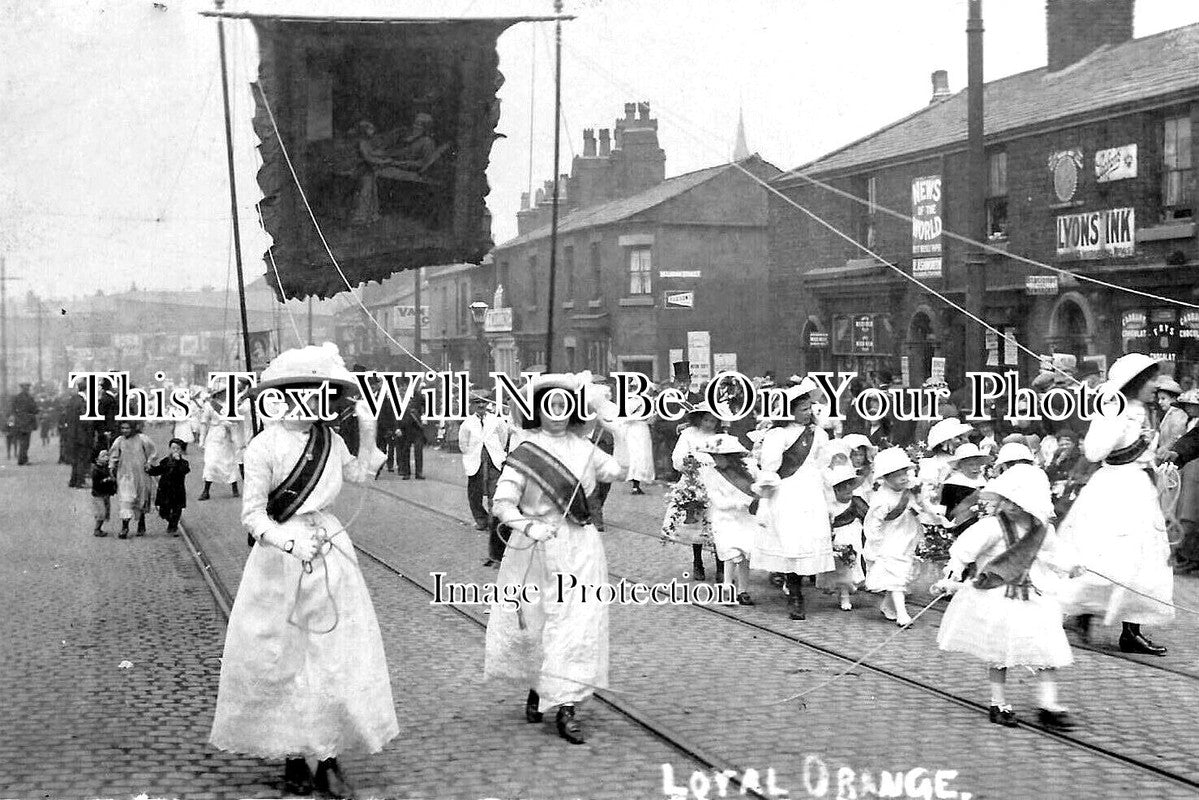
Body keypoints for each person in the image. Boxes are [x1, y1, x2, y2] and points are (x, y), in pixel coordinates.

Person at [210, 344, 397, 797]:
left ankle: (327, 756)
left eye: (318, 392)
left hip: (331, 552)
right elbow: (252, 516)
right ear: (282, 394)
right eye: (300, 391)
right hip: (280, 560)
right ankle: (293, 754)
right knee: (284, 654)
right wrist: (289, 541)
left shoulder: (329, 440)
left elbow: (360, 477)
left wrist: (368, 434)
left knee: (333, 652)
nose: (310, 400)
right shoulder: (262, 446)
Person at [484, 372, 625, 745]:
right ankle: (539, 688)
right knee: (538, 621)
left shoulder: (585, 447)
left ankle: (567, 706)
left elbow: (621, 471)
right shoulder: (526, 451)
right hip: (537, 548)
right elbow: (502, 504)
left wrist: (619, 432)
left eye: (565, 404)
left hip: (581, 548)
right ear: (537, 410)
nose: (559, 411)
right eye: (551, 404)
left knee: (578, 624)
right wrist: (528, 527)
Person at [935, 464, 1086, 730]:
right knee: (1000, 654)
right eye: (1007, 500)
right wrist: (953, 572)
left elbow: (1054, 553)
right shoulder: (993, 526)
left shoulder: (1042, 530)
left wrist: (1071, 565)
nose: (1012, 506)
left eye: (1018, 502)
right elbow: (964, 549)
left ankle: (1048, 704)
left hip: (1032, 597)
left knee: (1045, 650)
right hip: (999, 596)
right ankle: (999, 702)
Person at [1058, 353, 1174, 656]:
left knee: (1143, 559)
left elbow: (1145, 453)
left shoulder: (1147, 412)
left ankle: (1131, 629)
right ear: (1134, 382)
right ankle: (1082, 611)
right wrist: (1119, 426)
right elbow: (1096, 452)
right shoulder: (1114, 410)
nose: (1156, 386)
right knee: (1104, 554)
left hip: (1141, 489)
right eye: (1150, 380)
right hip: (1114, 489)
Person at [752, 381, 835, 620]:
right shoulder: (778, 434)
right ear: (791, 411)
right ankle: (794, 592)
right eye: (803, 409)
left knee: (807, 538)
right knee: (791, 539)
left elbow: (822, 462)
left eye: (810, 408)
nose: (809, 413)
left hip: (811, 491)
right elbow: (770, 466)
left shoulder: (818, 434)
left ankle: (798, 586)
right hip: (787, 491)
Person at [864, 447, 949, 626]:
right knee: (896, 571)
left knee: (904, 573)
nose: (903, 477)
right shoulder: (882, 499)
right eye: (897, 475)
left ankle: (888, 605)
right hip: (890, 539)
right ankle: (902, 614)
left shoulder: (909, 490)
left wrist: (938, 518)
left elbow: (923, 506)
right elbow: (873, 524)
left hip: (909, 535)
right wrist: (876, 544)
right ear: (886, 478)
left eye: (905, 473)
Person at [696, 434, 760, 606]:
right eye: (714, 456)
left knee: (746, 553)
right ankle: (727, 588)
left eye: (719, 456)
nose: (716, 460)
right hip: (725, 518)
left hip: (746, 519)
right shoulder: (710, 473)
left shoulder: (748, 470)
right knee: (731, 554)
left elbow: (757, 486)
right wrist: (739, 503)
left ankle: (743, 590)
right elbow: (717, 499)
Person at [673, 403, 725, 582]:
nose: (710, 424)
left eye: (713, 420)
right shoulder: (688, 434)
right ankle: (697, 562)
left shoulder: (721, 436)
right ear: (699, 419)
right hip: (696, 480)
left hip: (716, 481)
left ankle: (721, 566)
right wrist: (688, 463)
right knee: (697, 523)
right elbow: (678, 457)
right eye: (706, 420)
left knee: (718, 524)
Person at [459, 393, 509, 565]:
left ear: (488, 404)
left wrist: (496, 452)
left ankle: (492, 523)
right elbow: (462, 443)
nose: (480, 405)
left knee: (495, 492)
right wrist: (472, 454)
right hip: (476, 461)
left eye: (483, 402)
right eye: (477, 402)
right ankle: (481, 520)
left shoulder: (496, 420)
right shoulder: (467, 423)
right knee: (475, 492)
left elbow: (503, 437)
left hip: (494, 460)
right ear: (472, 405)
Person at [817, 464, 869, 611]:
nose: (848, 491)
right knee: (842, 567)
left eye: (850, 486)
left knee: (856, 563)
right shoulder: (830, 506)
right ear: (835, 490)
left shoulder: (857, 502)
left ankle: (854, 586)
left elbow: (869, 517)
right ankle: (844, 594)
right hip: (839, 537)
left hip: (855, 536)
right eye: (842, 488)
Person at [108, 421, 157, 538]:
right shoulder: (119, 440)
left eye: (127, 428)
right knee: (126, 500)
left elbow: (153, 452)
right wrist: (111, 466)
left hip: (141, 474)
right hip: (125, 475)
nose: (125, 431)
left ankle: (141, 522)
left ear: (133, 428)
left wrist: (149, 462)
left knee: (141, 499)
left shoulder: (143, 439)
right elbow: (114, 454)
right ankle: (125, 527)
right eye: (122, 428)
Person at [198, 392, 240, 501]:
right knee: (210, 462)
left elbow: (236, 420)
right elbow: (204, 422)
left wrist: (231, 428)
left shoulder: (230, 404)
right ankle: (206, 491)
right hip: (214, 435)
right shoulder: (209, 405)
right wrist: (201, 439)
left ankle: (234, 487)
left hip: (227, 437)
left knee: (229, 462)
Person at [147, 438, 190, 535]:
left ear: (181, 450)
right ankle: (172, 521)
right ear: (169, 449)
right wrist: (149, 469)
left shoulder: (184, 463)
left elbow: (185, 470)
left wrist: (178, 461)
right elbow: (158, 470)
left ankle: (173, 525)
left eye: (177, 449)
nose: (175, 450)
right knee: (163, 511)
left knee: (176, 509)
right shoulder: (165, 461)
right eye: (173, 448)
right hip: (165, 490)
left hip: (177, 490)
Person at [396, 399, 427, 480]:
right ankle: (407, 472)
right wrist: (398, 428)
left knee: (417, 452)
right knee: (406, 451)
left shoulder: (418, 397)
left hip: (417, 429)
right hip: (406, 429)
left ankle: (417, 473)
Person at [90, 450, 118, 537]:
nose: (106, 458)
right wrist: (107, 480)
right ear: (97, 459)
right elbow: (97, 483)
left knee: (105, 512)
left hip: (105, 494)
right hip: (98, 494)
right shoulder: (96, 470)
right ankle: (96, 529)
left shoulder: (107, 469)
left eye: (107, 456)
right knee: (101, 513)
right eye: (103, 456)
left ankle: (99, 528)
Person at [11, 383, 38, 465]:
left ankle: (22, 459)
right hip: (27, 423)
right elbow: (34, 409)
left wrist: (17, 417)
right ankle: (23, 460)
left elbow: (13, 409)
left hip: (19, 423)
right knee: (25, 442)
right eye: (27, 388)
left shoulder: (17, 397)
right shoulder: (29, 398)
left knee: (22, 442)